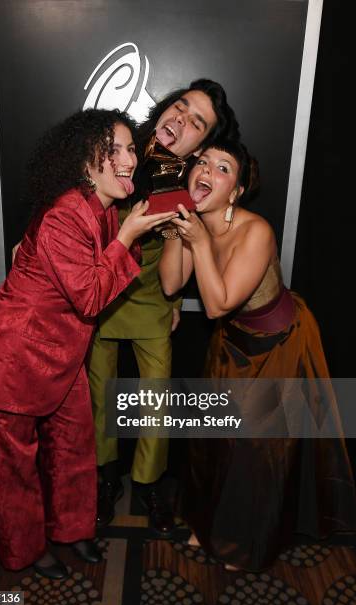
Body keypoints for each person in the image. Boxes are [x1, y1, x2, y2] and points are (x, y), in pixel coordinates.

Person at [0, 109, 177, 579]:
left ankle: (72, 531)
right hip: (16, 353)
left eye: (129, 149)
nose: (128, 160)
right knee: (13, 463)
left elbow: (107, 270)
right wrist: (127, 235)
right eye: (114, 151)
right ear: (86, 164)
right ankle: (24, 550)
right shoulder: (65, 214)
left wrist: (133, 231)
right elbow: (91, 296)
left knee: (75, 445)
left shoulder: (100, 207)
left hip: (63, 350)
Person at [158, 139, 356, 571]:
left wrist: (198, 239)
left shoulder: (256, 231)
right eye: (202, 161)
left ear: (236, 191)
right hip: (232, 343)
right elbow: (172, 284)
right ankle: (206, 524)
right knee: (213, 440)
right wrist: (177, 226)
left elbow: (215, 304)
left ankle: (244, 544)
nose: (207, 169)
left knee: (256, 454)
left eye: (223, 167)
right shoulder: (195, 222)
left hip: (279, 346)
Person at [89, 79, 241, 535]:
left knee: (155, 401)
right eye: (181, 107)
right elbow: (70, 202)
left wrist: (174, 298)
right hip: (101, 294)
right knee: (100, 396)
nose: (182, 120)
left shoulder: (193, 184)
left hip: (154, 297)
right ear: (163, 109)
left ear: (202, 144)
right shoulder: (119, 147)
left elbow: (189, 259)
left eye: (198, 122)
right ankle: (104, 479)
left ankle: (150, 485)